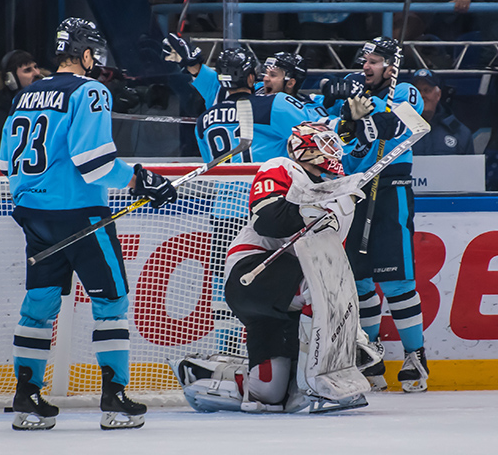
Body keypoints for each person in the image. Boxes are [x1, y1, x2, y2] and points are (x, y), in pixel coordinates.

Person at [0, 17, 179, 431]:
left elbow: (6, 160)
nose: (97, 63)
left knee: (39, 307)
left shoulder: (26, 94)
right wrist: (139, 180)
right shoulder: (91, 91)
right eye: (94, 54)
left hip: (34, 216)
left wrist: (32, 202)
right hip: (81, 217)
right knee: (111, 302)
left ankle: (27, 401)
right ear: (83, 54)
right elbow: (94, 163)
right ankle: (114, 401)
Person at [174, 121, 367, 413]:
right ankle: (315, 386)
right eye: (325, 142)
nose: (334, 150)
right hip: (254, 273)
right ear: (305, 149)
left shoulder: (339, 195)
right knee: (319, 290)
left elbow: (330, 260)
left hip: (289, 287)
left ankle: (207, 375)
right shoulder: (283, 167)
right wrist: (313, 207)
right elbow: (269, 220)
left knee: (269, 393)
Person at [326, 36, 429, 392]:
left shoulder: (406, 91)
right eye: (364, 61)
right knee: (360, 281)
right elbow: (348, 152)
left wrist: (368, 116)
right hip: (356, 189)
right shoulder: (358, 96)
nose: (365, 67)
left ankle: (416, 357)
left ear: (391, 65)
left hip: (390, 188)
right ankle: (371, 358)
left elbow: (399, 128)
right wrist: (348, 120)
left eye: (373, 61)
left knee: (398, 280)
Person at [196, 48, 329, 163]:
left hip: (224, 191)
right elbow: (321, 139)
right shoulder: (275, 104)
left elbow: (210, 166)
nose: (265, 78)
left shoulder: (203, 120)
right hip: (266, 189)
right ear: (250, 78)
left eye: (272, 74)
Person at [408, 68, 473, 154]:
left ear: (438, 95)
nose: (422, 95)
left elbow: (469, 166)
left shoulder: (458, 132)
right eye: (417, 91)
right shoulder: (399, 130)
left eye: (427, 90)